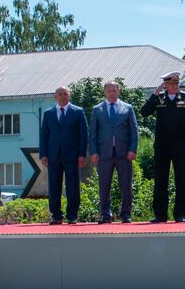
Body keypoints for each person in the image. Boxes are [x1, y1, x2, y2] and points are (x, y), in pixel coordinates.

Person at [140, 71, 185, 222]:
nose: (175, 86)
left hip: (181, 145)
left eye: (176, 83)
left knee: (181, 179)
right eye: (171, 84)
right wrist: (154, 94)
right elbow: (144, 112)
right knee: (160, 180)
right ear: (165, 85)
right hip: (162, 145)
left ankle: (180, 214)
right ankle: (160, 214)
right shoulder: (159, 98)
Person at [90, 80, 138, 223]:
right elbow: (92, 133)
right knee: (104, 185)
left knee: (126, 185)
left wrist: (132, 149)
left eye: (114, 90)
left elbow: (133, 131)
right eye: (109, 91)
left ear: (119, 91)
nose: (112, 93)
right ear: (104, 92)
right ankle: (105, 214)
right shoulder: (97, 109)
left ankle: (126, 214)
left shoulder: (127, 108)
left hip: (124, 153)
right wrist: (93, 151)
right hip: (104, 153)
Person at [40, 85, 88, 224]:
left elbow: (83, 134)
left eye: (65, 93)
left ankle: (72, 215)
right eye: (60, 94)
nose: (62, 96)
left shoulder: (78, 112)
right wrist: (43, 154)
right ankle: (56, 215)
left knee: (73, 186)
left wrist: (82, 154)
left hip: (73, 156)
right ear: (55, 96)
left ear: (69, 95)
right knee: (54, 186)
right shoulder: (48, 114)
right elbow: (44, 135)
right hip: (53, 156)